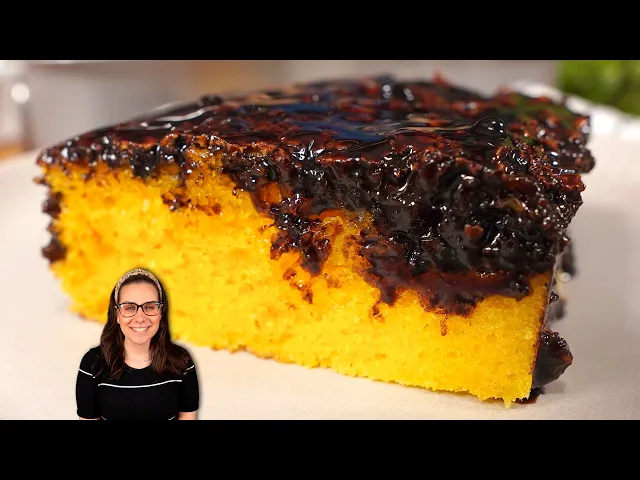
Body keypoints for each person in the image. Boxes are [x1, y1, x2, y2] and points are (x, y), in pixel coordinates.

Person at [75, 267, 199, 420]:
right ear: (117, 314)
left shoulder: (181, 361)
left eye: (150, 307)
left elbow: (187, 416)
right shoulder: (93, 364)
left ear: (161, 312)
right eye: (129, 308)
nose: (140, 318)